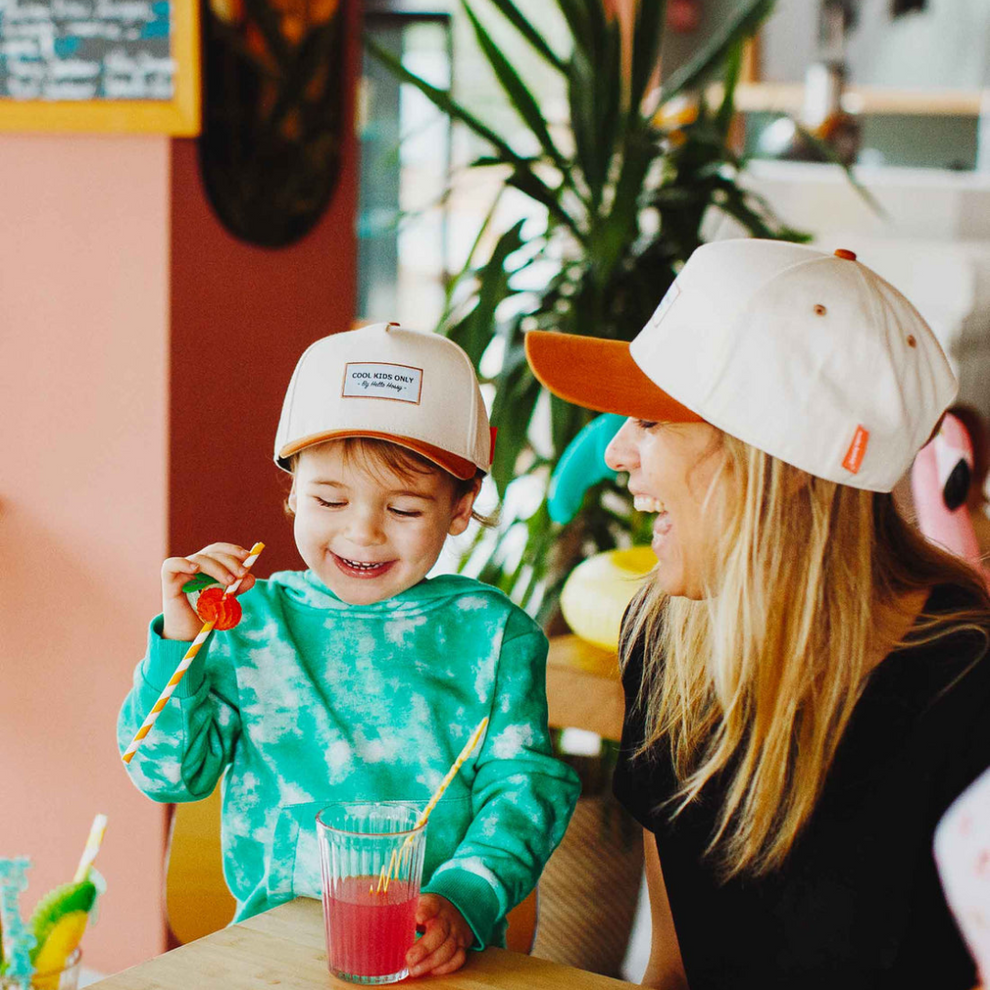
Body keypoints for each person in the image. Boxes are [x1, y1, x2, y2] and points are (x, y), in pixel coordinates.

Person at [525, 240, 990, 990]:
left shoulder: (968, 684)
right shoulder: (661, 635)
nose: (616, 452)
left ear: (780, 462)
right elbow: (673, 970)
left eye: (651, 420)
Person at [118, 322, 579, 978]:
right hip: (273, 954)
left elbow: (524, 790)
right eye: (330, 499)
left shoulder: (495, 636)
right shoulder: (251, 624)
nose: (362, 532)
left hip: (435, 957)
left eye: (405, 510)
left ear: (461, 506)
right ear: (292, 492)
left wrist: (463, 897)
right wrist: (180, 644)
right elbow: (165, 774)